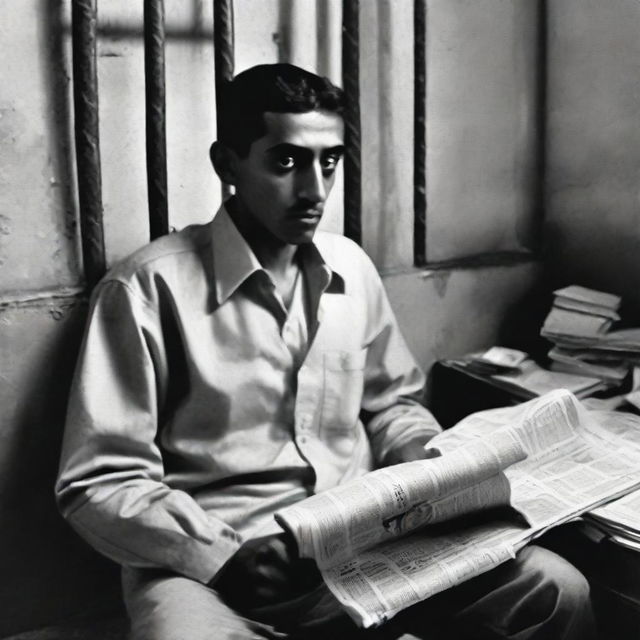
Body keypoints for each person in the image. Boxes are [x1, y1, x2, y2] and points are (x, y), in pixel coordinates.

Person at [56, 63, 596, 640]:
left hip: (366, 543)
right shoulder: (147, 288)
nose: (314, 189)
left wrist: (427, 463)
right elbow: (97, 482)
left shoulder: (351, 268)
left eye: (330, 161)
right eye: (286, 162)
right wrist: (220, 556)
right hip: (218, 567)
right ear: (227, 163)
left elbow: (392, 405)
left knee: (553, 589)